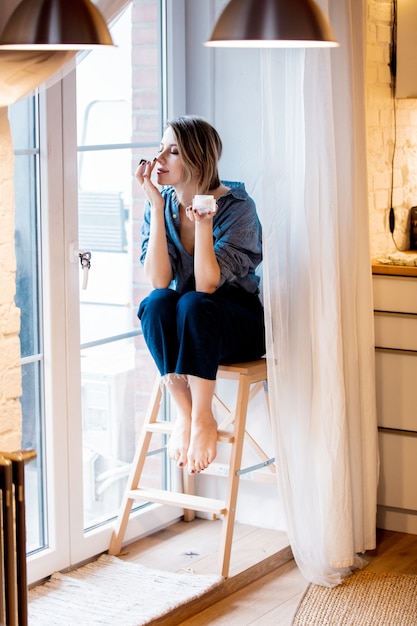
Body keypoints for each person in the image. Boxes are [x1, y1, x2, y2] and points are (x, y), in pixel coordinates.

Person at [136, 115, 265, 475]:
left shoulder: (239, 207)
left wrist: (205, 224)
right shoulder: (161, 204)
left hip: (236, 321)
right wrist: (157, 210)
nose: (160, 158)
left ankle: (203, 417)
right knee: (156, 303)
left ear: (197, 159)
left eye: (173, 151)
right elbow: (160, 280)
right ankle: (185, 414)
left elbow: (208, 284)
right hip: (191, 320)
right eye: (160, 148)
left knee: (193, 300)